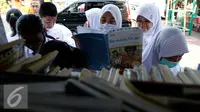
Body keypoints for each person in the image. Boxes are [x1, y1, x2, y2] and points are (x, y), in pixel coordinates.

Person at [16, 14, 87, 69]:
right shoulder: (17, 54)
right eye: (27, 43)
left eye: (37, 41)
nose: (32, 46)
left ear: (44, 30)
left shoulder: (59, 48)